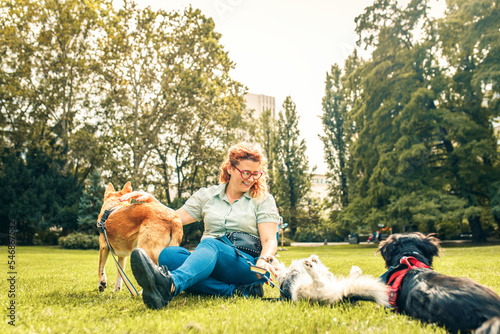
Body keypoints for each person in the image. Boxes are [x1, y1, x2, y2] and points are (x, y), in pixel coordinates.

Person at [119, 143, 280, 310]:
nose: (251, 178)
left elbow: (269, 240)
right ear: (230, 168)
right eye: (246, 173)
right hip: (208, 261)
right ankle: (237, 292)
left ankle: (171, 284)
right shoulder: (207, 195)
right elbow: (175, 218)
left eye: (255, 174)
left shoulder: (262, 199)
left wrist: (263, 259)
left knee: (212, 244)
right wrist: (152, 202)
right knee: (168, 255)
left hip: (247, 264)